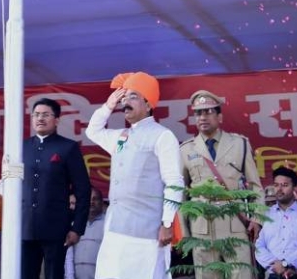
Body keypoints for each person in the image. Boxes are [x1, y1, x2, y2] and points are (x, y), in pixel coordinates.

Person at [85, 71, 183, 279]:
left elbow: (174, 183)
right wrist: (108, 106)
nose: (125, 102)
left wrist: (167, 223)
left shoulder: (163, 136)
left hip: (146, 232)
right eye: (124, 97)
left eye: (133, 96)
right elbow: (92, 131)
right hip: (115, 229)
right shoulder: (122, 136)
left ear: (148, 104)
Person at [180, 89, 264, 279]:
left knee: (242, 275)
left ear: (220, 117)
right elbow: (181, 194)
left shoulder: (240, 144)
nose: (203, 117)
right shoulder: (186, 149)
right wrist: (184, 232)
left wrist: (257, 219)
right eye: (198, 113)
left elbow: (255, 186)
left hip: (235, 225)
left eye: (208, 112)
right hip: (202, 229)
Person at [22, 96, 90, 279]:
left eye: (46, 114)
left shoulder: (68, 147)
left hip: (56, 229)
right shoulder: (21, 147)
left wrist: (77, 228)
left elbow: (83, 190)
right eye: (36, 114)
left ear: (57, 120)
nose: (40, 118)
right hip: (24, 228)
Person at [255, 166, 297, 279]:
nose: (279, 189)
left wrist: (286, 263)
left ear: (294, 188)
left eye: (285, 185)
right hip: (274, 274)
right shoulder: (266, 214)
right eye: (276, 185)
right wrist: (275, 265)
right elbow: (259, 246)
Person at [71, 187, 106, 279]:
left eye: (95, 199)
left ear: (102, 202)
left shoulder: (108, 224)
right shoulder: (75, 225)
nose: (91, 202)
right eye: (88, 199)